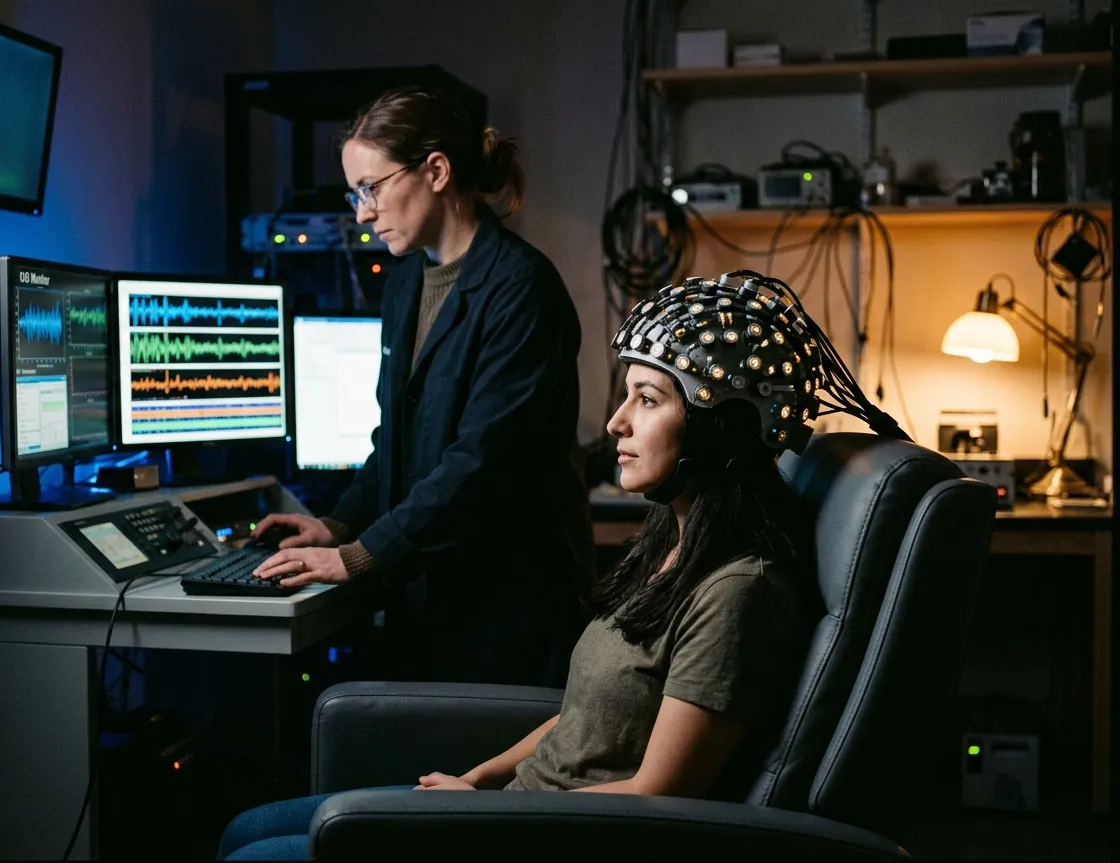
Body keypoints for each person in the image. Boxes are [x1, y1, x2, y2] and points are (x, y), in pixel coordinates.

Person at [217, 272, 839, 861]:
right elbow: (581, 721)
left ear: (720, 430)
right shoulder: (669, 549)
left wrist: (479, 815)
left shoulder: (737, 592)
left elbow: (660, 795)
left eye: (646, 400)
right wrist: (479, 781)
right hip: (514, 812)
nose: (615, 423)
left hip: (543, 837)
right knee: (244, 829)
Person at [248, 85, 595, 690]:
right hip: (430, 601)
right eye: (354, 194)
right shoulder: (406, 281)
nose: (362, 213)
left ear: (435, 170)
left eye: (371, 189)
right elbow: (397, 439)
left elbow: (481, 464)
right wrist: (339, 523)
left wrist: (359, 555)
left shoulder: (523, 289)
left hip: (508, 617)